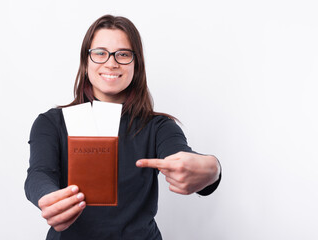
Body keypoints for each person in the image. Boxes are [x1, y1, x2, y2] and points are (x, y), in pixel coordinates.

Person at [25, 14, 221, 240]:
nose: (111, 62)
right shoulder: (52, 123)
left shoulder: (158, 127)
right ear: (85, 61)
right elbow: (39, 173)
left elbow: (183, 156)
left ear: (136, 65)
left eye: (123, 54)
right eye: (100, 53)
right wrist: (47, 196)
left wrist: (213, 169)